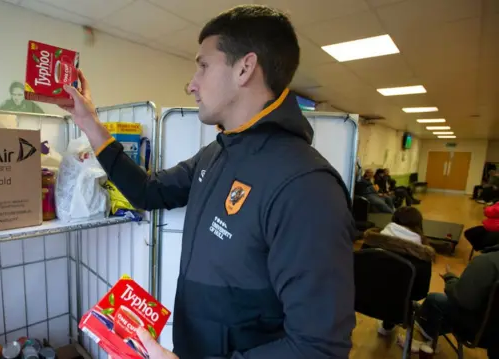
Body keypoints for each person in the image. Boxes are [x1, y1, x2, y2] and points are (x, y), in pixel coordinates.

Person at [61, 5, 355, 358]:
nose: (191, 84)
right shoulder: (216, 154)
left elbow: (318, 348)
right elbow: (147, 192)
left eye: (202, 65)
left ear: (245, 67)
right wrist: (90, 123)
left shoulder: (306, 187)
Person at [360, 207, 434, 338]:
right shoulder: (422, 256)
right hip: (398, 310)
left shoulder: (369, 242)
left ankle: (386, 327)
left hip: (360, 300)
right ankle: (387, 326)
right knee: (398, 292)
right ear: (418, 225)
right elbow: (420, 293)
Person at [413, 247, 499, 358]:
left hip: (479, 332)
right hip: (495, 338)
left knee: (434, 299)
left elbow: (462, 299)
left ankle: (427, 330)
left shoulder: (488, 262)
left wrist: (450, 278)